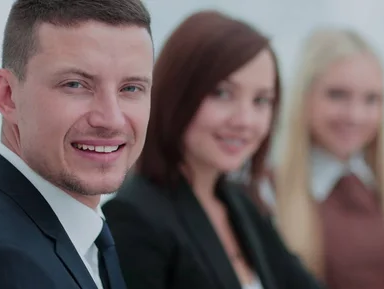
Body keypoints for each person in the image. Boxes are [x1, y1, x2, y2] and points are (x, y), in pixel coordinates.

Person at [0, 0, 153, 288]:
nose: (112, 120)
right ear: (8, 96)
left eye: (131, 88)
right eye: (75, 84)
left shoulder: (70, 233)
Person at [102, 10, 323, 289]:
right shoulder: (134, 217)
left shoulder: (241, 205)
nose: (244, 120)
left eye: (261, 100)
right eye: (222, 93)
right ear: (176, 93)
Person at [265, 29, 384, 289]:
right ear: (304, 97)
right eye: (337, 95)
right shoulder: (267, 189)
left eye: (371, 99)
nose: (355, 115)